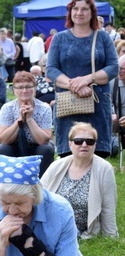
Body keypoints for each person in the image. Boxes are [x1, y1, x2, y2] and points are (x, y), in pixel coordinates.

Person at [46, 0, 118, 158]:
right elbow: (51, 69)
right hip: (68, 105)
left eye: (84, 9)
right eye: (75, 8)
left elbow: (113, 68)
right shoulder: (59, 38)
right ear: (70, 12)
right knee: (68, 154)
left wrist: (87, 79)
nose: (79, 12)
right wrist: (75, 86)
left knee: (97, 154)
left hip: (97, 104)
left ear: (92, 13)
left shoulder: (103, 38)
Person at [41, 122, 118, 238]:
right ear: (70, 144)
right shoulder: (57, 165)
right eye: (78, 141)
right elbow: (38, 194)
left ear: (95, 145)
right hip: (50, 225)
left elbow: (108, 206)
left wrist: (110, 236)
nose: (84, 144)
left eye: (90, 141)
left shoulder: (104, 169)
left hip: (79, 232)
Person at [0, 71, 54, 177]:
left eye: (28, 87)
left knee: (47, 149)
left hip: (37, 146)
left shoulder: (44, 108)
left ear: (34, 88)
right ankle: (6, 183)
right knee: (3, 148)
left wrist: (29, 120)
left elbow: (44, 140)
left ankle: (43, 184)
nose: (24, 91)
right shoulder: (7, 108)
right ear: (14, 90)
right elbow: (4, 139)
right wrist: (19, 120)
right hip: (14, 145)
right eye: (20, 87)